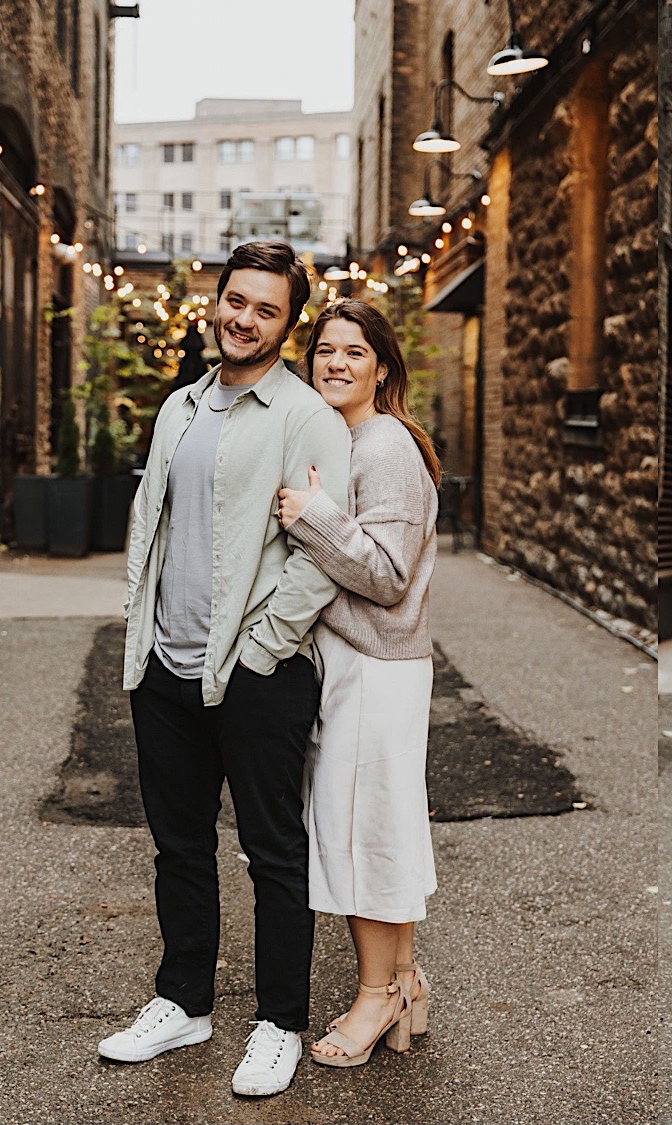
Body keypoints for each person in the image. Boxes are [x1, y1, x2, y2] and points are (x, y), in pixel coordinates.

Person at [98, 241, 352, 1098]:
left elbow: (321, 549)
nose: (243, 318)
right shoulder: (180, 407)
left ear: (289, 323)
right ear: (218, 300)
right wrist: (141, 637)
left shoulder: (306, 417)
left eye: (265, 308)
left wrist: (262, 647)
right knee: (178, 845)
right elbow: (155, 525)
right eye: (235, 300)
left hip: (257, 670)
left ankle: (279, 1021)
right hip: (166, 665)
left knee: (273, 852)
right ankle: (184, 1001)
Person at [275, 299, 441, 1068]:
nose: (336, 363)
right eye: (325, 351)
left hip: (378, 670)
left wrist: (311, 516)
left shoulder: (385, 446)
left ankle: (375, 996)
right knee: (372, 829)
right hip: (355, 668)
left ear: (382, 366)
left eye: (354, 351)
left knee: (362, 835)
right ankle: (401, 982)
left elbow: (385, 572)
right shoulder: (351, 440)